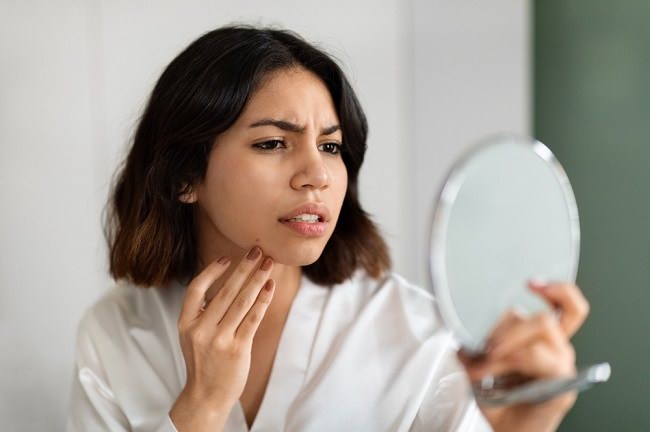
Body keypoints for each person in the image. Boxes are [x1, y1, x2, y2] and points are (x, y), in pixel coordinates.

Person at [67, 25, 589, 432]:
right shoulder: (115, 335)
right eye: (273, 143)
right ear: (186, 175)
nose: (316, 175)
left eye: (332, 146)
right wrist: (200, 407)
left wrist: (528, 423)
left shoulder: (415, 335)